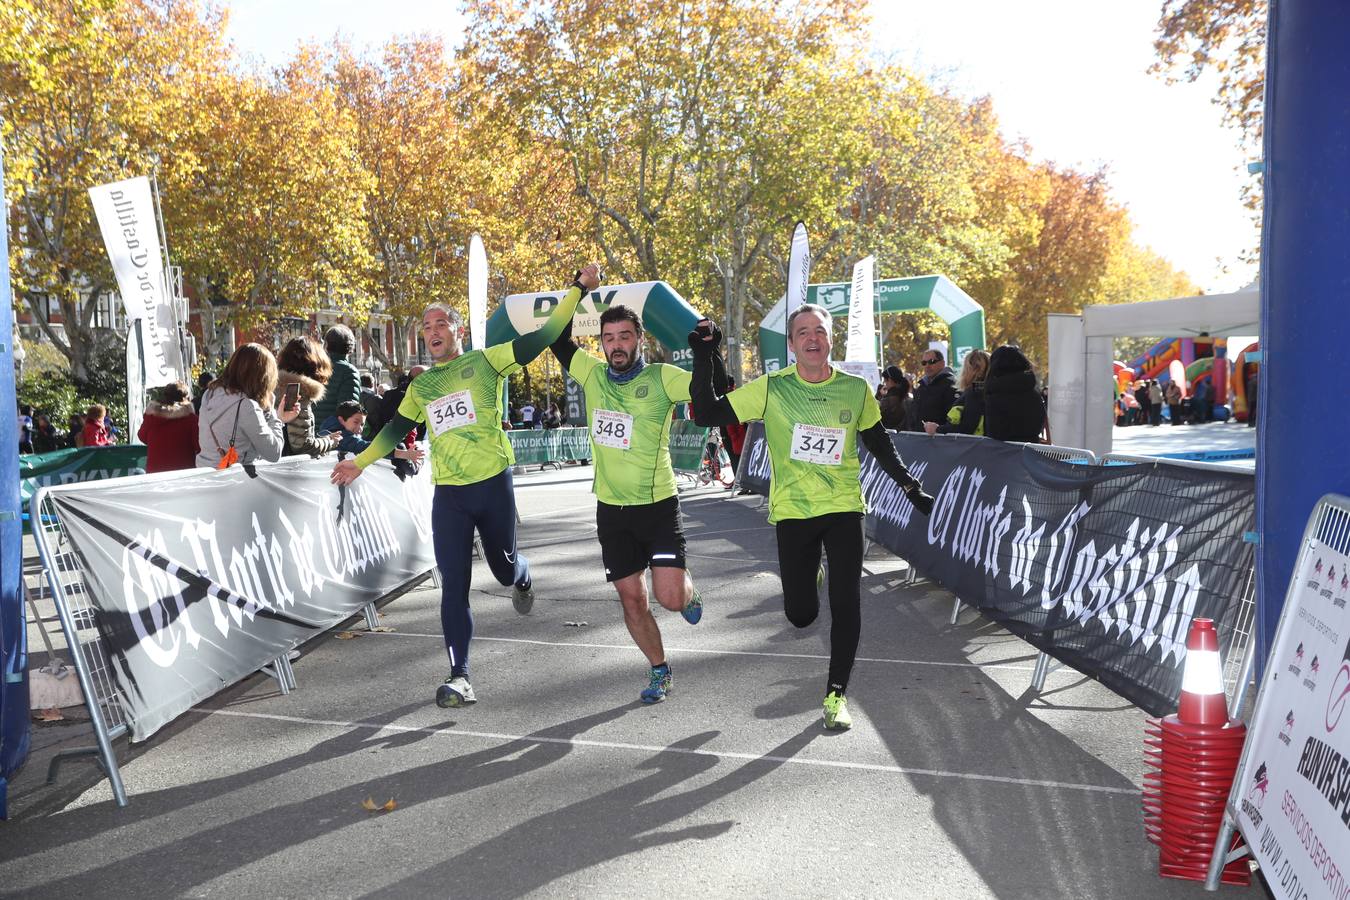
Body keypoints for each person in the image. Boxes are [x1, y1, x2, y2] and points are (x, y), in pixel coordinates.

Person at [331, 262, 597, 710]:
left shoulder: (487, 360)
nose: (432, 331)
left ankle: (523, 573)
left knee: (503, 569)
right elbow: (395, 431)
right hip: (450, 496)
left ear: (457, 330)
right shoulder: (423, 386)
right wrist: (359, 462)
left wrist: (578, 288)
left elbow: (546, 335)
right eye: (426, 327)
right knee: (454, 584)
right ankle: (460, 676)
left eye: (441, 324)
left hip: (493, 487)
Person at [688, 305, 935, 731]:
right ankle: (810, 577)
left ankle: (836, 695)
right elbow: (708, 413)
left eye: (820, 330)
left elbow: (879, 443)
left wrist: (910, 486)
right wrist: (705, 356)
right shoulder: (772, 388)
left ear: (830, 339)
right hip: (794, 513)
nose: (812, 338)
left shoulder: (855, 389)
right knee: (800, 615)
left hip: (843, 509)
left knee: (847, 603)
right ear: (792, 344)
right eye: (803, 332)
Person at [547, 303, 708, 704]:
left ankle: (689, 592)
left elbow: (707, 390)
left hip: (658, 505)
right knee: (632, 598)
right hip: (612, 510)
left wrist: (707, 349)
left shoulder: (662, 377)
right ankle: (659, 669)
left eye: (624, 336)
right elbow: (556, 338)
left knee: (669, 598)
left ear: (639, 339)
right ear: (601, 343)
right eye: (608, 338)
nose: (616, 345)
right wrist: (579, 288)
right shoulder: (592, 373)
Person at [196, 343, 301, 468]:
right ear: (263, 376)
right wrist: (275, 416)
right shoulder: (247, 406)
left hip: (205, 473)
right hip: (233, 480)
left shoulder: (210, 393)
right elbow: (274, 453)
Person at [275, 336, 340, 457]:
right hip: (288, 470)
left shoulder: (275, 388)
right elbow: (303, 446)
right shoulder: (299, 394)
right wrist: (329, 442)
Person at [983, 345, 1046, 443]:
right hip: (1030, 451)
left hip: (1002, 453)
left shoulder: (994, 395)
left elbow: (994, 433)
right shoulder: (1033, 393)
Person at [328, 400, 424, 463]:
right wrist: (404, 454)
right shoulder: (341, 436)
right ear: (341, 420)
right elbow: (364, 447)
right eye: (356, 422)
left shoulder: (331, 427)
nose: (360, 429)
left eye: (362, 424)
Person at [138, 382, 199, 472]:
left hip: (156, 471)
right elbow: (198, 444)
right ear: (185, 398)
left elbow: (142, 436)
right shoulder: (191, 419)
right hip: (184, 471)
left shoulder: (152, 416)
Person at [924, 349, 988, 436]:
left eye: (964, 367)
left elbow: (966, 428)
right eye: (924, 363)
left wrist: (937, 429)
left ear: (973, 369)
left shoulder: (975, 392)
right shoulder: (988, 390)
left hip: (972, 447)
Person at [311, 324, 361, 425]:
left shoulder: (313, 368)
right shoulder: (349, 372)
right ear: (351, 348)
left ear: (326, 345)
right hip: (334, 436)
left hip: (310, 433)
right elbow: (348, 414)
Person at [907, 349, 957, 431]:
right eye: (924, 363)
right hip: (918, 439)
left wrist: (939, 430)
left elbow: (953, 420)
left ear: (942, 363)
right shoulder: (922, 386)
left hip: (940, 440)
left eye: (932, 361)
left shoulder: (951, 385)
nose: (927, 366)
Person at [877, 366, 910, 431]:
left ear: (889, 380)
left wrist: (879, 396)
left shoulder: (889, 400)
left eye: (885, 381)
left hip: (889, 436)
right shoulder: (905, 396)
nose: (885, 384)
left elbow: (876, 415)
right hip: (904, 437)